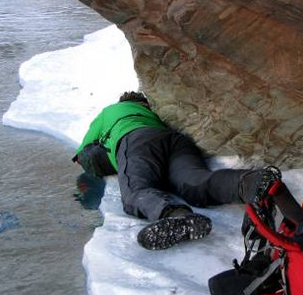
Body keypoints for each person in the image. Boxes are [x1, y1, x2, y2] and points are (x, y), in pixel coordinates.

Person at [73, 91, 271, 250]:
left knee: (137, 191)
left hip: (136, 141)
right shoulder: (153, 114)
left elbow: (84, 152)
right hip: (175, 140)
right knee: (194, 180)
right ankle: (247, 182)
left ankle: (177, 216)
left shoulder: (111, 111)